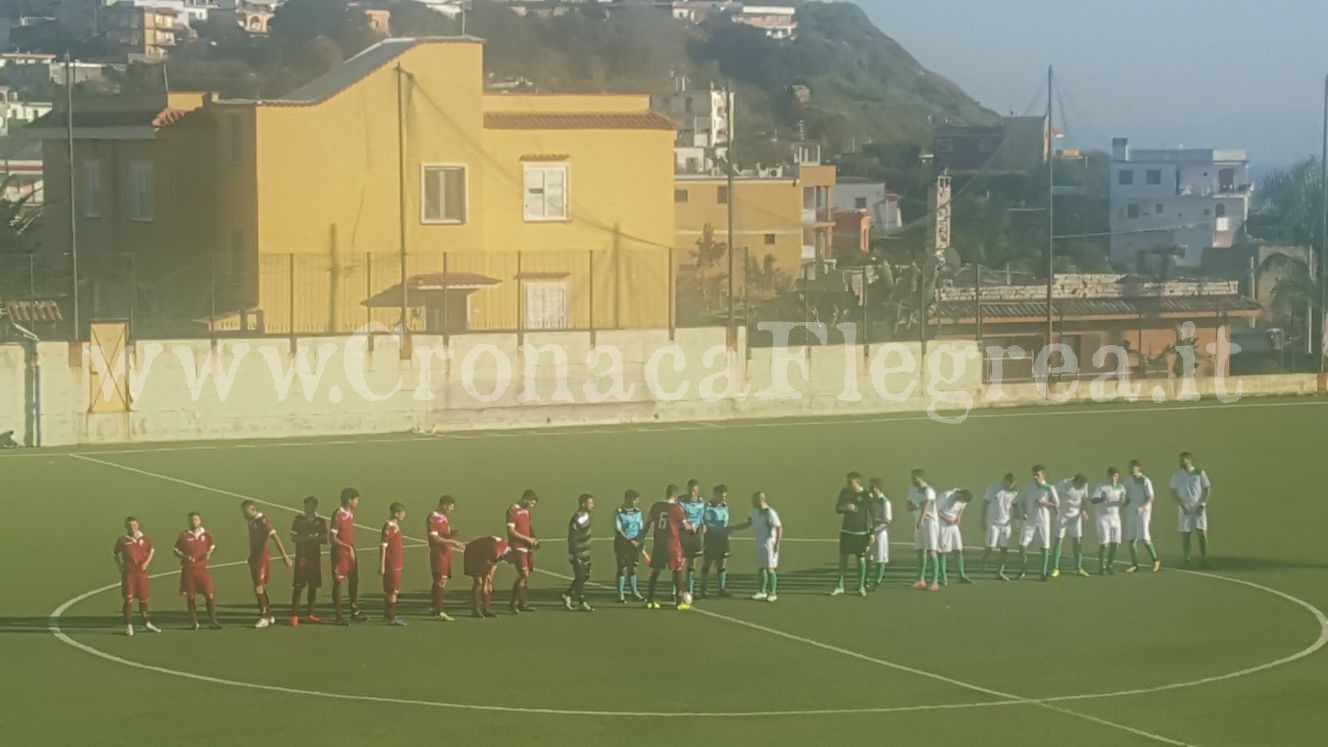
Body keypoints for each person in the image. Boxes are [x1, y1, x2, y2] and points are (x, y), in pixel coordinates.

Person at [243, 499, 292, 629]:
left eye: (245, 512)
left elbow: (275, 537)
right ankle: (269, 615)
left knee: (258, 588)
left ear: (252, 510)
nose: (244, 514)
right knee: (260, 588)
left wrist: (285, 556)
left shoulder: (263, 521)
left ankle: (264, 617)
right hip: (254, 558)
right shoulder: (251, 521)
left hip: (261, 559)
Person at [729, 492, 783, 602]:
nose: (752, 503)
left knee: (770, 568)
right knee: (761, 567)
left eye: (754, 500)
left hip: (769, 543)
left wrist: (777, 543)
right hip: (759, 542)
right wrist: (733, 528)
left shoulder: (770, 512)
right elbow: (748, 523)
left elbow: (779, 527)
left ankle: (772, 593)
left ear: (760, 500)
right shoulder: (755, 512)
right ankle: (762, 591)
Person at [643, 484, 689, 610]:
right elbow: (686, 527)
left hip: (659, 544)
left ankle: (650, 600)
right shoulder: (677, 509)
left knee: (656, 571)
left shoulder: (656, 506)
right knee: (677, 570)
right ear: (675, 495)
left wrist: (641, 537)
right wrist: (693, 527)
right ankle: (679, 602)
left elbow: (647, 524)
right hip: (672, 544)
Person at [114, 517, 161, 636]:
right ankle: (128, 625)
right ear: (126, 527)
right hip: (129, 574)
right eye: (129, 525)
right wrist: (120, 565)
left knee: (144, 599)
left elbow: (151, 551)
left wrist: (146, 563)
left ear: (138, 525)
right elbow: (115, 553)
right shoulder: (122, 540)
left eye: (134, 525)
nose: (132, 527)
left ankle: (147, 623)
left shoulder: (145, 538)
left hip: (141, 573)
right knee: (128, 600)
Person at [173, 512, 220, 630]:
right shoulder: (184, 536)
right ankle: (194, 622)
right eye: (191, 520)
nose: (194, 522)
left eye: (196, 519)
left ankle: (213, 620)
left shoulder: (206, 534)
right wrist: (183, 556)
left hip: (202, 569)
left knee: (209, 594)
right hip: (188, 570)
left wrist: (208, 554)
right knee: (191, 596)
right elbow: (176, 550)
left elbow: (212, 546)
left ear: (200, 521)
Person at [330, 487, 367, 625]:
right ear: (349, 500)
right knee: (338, 581)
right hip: (340, 553)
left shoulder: (350, 514)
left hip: (350, 551)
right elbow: (332, 537)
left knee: (354, 580)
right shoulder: (338, 515)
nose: (358, 502)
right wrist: (347, 547)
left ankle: (354, 610)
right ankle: (338, 615)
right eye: (356, 499)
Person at [289, 495, 327, 626]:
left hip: (315, 558)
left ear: (315, 506)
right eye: (306, 504)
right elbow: (293, 538)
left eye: (311, 505)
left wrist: (316, 538)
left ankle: (310, 614)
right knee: (298, 587)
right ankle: (294, 615)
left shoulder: (320, 521)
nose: (308, 507)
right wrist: (308, 538)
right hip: (302, 558)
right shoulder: (298, 520)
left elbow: (324, 539)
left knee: (313, 586)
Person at [427, 495, 465, 621]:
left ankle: (434, 606)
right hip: (439, 554)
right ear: (444, 505)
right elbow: (434, 538)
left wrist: (451, 534)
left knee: (441, 580)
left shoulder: (444, 518)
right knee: (440, 581)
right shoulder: (433, 518)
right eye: (451, 507)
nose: (452, 509)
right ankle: (440, 611)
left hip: (446, 552)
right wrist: (453, 542)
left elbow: (444, 535)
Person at [1170, 451, 1212, 568]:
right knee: (1185, 534)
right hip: (1185, 507)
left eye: (1183, 460)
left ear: (1189, 460)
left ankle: (1204, 556)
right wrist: (1181, 505)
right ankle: (1187, 557)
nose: (1181, 462)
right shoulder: (1177, 475)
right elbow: (1173, 491)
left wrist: (1202, 504)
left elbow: (1207, 488)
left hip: (1198, 507)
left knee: (1202, 532)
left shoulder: (1199, 473)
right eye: (1180, 460)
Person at [1017, 465, 1059, 581]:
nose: (1036, 477)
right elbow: (1021, 500)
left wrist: (1044, 503)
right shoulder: (1028, 486)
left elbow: (1057, 504)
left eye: (1038, 475)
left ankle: (1043, 572)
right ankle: (1023, 569)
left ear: (1043, 475)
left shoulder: (1049, 488)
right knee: (1022, 545)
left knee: (1044, 547)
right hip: (1029, 520)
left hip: (1043, 521)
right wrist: (1024, 512)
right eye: (1034, 475)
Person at [832, 472, 871, 597]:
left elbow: (872, 514)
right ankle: (839, 585)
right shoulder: (845, 492)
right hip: (846, 531)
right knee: (843, 558)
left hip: (861, 532)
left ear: (857, 482)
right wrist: (846, 507)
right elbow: (838, 509)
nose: (848, 484)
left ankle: (861, 586)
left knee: (861, 559)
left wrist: (872, 532)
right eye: (847, 482)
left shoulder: (865, 495)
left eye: (851, 482)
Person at [506, 490, 540, 613]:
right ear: (526, 499)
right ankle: (513, 603)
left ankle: (522, 603)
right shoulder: (512, 511)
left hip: (527, 547)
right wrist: (527, 539)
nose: (532, 506)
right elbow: (511, 531)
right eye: (531, 503)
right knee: (523, 574)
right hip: (517, 547)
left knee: (526, 575)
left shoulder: (526, 511)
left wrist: (534, 538)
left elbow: (529, 526)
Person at [1124, 460, 1162, 573]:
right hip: (1131, 511)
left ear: (1138, 468)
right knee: (1131, 539)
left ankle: (1156, 560)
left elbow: (1151, 497)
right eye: (1130, 467)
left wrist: (1142, 507)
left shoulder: (1145, 480)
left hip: (1144, 512)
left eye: (1133, 467)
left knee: (1145, 538)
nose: (1131, 469)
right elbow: (1125, 495)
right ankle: (1134, 564)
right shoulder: (1127, 481)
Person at [1051, 474, 1091, 578]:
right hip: (1062, 516)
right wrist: (1056, 508)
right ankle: (1055, 568)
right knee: (1059, 540)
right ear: (1074, 481)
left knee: (1077, 541)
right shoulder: (1063, 484)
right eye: (1079, 485)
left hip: (1075, 517)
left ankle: (1078, 568)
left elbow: (1084, 499)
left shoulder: (1084, 485)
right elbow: (1052, 494)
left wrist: (1084, 512)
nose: (1081, 487)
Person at [907, 469, 941, 591]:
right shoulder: (912, 489)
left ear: (920, 478)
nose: (912, 480)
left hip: (930, 523)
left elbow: (927, 506)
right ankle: (921, 580)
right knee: (920, 550)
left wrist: (921, 519)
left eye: (914, 478)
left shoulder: (929, 490)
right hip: (919, 523)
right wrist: (917, 509)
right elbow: (908, 505)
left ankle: (935, 581)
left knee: (932, 551)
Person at [980, 473, 1019, 580]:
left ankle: (999, 572)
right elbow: (985, 504)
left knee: (1004, 549)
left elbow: (1015, 508)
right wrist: (982, 521)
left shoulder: (1014, 493)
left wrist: (1017, 524)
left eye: (1012, 483)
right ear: (1005, 480)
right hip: (993, 524)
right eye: (1009, 482)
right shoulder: (993, 489)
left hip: (1006, 525)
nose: (1010, 485)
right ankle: (982, 564)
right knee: (990, 547)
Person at [463, 536, 513, 618]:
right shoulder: (496, 552)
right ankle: (475, 610)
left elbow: (494, 564)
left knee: (488, 583)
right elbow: (488, 566)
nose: (510, 563)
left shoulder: (505, 551)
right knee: (479, 582)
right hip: (474, 553)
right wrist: (487, 580)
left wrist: (489, 580)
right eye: (511, 561)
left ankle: (486, 609)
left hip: (484, 553)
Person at [562, 494, 595, 612]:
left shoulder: (585, 516)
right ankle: (582, 602)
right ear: (583, 504)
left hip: (586, 553)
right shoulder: (577, 519)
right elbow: (572, 538)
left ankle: (568, 595)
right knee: (580, 576)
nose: (593, 505)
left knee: (584, 576)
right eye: (590, 503)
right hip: (578, 554)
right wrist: (576, 556)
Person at [1091, 467, 1127, 575]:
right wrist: (1101, 499)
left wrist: (1126, 501)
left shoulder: (1121, 487)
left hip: (1115, 518)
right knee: (1104, 544)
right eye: (1111, 476)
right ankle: (1102, 566)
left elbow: (1123, 501)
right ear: (1108, 476)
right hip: (1103, 518)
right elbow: (1093, 500)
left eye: (1115, 476)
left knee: (1115, 543)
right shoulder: (1102, 487)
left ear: (1118, 477)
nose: (1113, 478)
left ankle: (1110, 565)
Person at [699, 484, 732, 598]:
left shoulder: (724, 506)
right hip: (711, 537)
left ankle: (721, 588)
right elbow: (706, 522)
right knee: (708, 562)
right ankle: (703, 589)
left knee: (722, 563)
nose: (723, 499)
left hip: (722, 538)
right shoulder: (707, 507)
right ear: (715, 494)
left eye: (725, 497)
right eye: (721, 496)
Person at [613, 490, 646, 604]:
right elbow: (619, 530)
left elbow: (641, 528)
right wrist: (630, 540)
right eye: (635, 499)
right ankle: (620, 594)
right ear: (628, 499)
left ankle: (634, 592)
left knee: (634, 567)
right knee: (622, 568)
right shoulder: (619, 512)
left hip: (635, 543)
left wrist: (641, 541)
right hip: (622, 543)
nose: (637, 502)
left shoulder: (638, 512)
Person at [936, 488, 973, 585]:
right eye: (961, 500)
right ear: (960, 494)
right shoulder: (946, 495)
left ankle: (961, 576)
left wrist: (959, 518)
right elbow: (937, 511)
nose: (961, 502)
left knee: (958, 549)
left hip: (954, 526)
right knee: (942, 551)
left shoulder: (963, 500)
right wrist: (947, 519)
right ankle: (943, 578)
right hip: (942, 526)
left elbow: (961, 508)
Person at [379, 502, 407, 626]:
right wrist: (382, 564)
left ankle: (387, 615)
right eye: (402, 513)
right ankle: (391, 617)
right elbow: (383, 546)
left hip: (397, 563)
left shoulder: (395, 526)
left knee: (392, 590)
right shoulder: (388, 527)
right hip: (392, 564)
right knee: (392, 591)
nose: (404, 515)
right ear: (396, 513)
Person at [680, 479, 707, 595]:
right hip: (684, 533)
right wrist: (689, 525)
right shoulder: (681, 501)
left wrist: (704, 525)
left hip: (696, 534)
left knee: (692, 563)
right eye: (690, 490)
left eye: (694, 490)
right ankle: (677, 590)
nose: (692, 492)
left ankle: (689, 589)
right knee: (680, 562)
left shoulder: (701, 501)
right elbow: (679, 516)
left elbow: (701, 516)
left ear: (697, 489)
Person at [866, 478, 893, 589]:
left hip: (880, 533)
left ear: (878, 488)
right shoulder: (871, 500)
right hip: (870, 531)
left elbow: (888, 520)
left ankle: (878, 581)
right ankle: (865, 580)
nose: (871, 490)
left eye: (873, 488)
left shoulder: (885, 502)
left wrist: (875, 520)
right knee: (867, 556)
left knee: (880, 557)